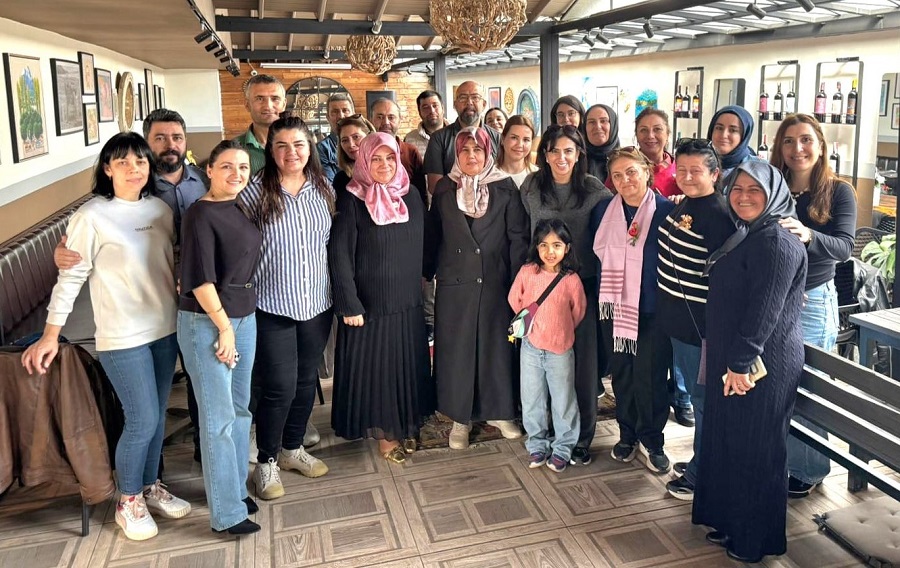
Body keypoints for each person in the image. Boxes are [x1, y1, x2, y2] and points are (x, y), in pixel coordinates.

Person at [22, 132, 190, 541]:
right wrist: (50, 336)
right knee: (142, 419)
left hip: (165, 330)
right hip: (121, 336)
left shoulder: (160, 210)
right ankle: (127, 500)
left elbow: (172, 261)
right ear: (107, 169)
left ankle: (149, 486)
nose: (134, 168)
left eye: (141, 161)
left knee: (156, 417)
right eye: (123, 162)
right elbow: (70, 278)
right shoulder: (92, 215)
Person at [693, 161, 807, 564]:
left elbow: (764, 312)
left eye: (754, 190)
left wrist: (740, 363)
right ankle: (731, 521)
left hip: (761, 365)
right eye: (737, 189)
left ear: (773, 194)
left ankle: (754, 538)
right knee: (730, 443)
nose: (743, 197)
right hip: (736, 359)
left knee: (757, 450)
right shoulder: (748, 233)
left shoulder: (776, 243)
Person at [240, 116, 335, 500]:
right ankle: (266, 461)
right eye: (281, 145)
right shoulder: (254, 192)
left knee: (305, 381)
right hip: (271, 305)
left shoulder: (324, 188)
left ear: (310, 147)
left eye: (298, 144)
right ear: (270, 151)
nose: (291, 152)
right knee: (278, 386)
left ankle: (292, 448)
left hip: (317, 303)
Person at [329, 133, 434, 463]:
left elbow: (425, 240)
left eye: (390, 158)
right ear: (363, 161)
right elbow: (339, 255)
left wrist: (429, 276)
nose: (384, 165)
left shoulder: (411, 194)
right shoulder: (352, 199)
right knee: (379, 374)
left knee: (406, 368)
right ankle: (387, 437)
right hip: (369, 306)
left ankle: (404, 425)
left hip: (407, 301)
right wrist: (348, 303)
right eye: (376, 158)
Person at [177, 140, 261, 535]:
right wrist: (224, 327)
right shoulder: (199, 214)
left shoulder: (241, 205)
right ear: (208, 170)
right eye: (226, 166)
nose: (236, 174)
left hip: (244, 317)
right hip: (209, 323)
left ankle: (235, 490)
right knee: (219, 419)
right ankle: (226, 513)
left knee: (241, 410)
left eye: (242, 167)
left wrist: (236, 323)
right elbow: (199, 280)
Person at [771, 113, 857, 499]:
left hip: (813, 298)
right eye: (789, 141)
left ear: (820, 146)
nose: (798, 148)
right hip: (774, 297)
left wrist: (808, 235)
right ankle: (782, 458)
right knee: (777, 383)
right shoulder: (773, 187)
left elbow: (844, 247)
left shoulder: (839, 192)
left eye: (806, 140)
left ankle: (808, 468)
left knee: (807, 385)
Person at [427, 126, 529, 449]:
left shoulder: (504, 187)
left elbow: (517, 237)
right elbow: (433, 234)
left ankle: (499, 412)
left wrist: (518, 284)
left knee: (495, 348)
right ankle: (461, 417)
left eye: (478, 150)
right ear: (456, 154)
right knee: (457, 350)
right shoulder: (445, 188)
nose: (472, 156)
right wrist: (426, 272)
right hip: (455, 284)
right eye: (465, 150)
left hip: (496, 281)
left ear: (489, 153)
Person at [521, 124, 612, 466]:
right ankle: (543, 436)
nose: (562, 157)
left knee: (582, 367)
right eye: (555, 151)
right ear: (545, 155)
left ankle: (581, 439)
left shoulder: (593, 189)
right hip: (541, 289)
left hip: (579, 287)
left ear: (578, 155)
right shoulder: (531, 187)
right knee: (541, 368)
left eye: (569, 151)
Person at [656, 139, 734, 501]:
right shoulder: (686, 203)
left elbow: (726, 279)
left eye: (696, 171)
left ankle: (704, 474)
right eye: (682, 170)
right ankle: (702, 460)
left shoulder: (719, 215)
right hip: (677, 324)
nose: (687, 177)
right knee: (697, 395)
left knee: (704, 401)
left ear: (714, 175)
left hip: (699, 328)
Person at [591, 147, 675, 473]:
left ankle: (652, 440)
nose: (625, 180)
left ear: (646, 171)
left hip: (653, 308)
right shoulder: (603, 211)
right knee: (623, 373)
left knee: (650, 377)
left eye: (631, 172)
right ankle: (627, 434)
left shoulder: (667, 211)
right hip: (614, 307)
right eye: (617, 175)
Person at [508, 219, 586, 473]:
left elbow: (578, 311)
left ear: (567, 248)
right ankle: (537, 444)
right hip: (531, 348)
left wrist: (560, 330)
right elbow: (515, 299)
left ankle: (563, 448)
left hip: (560, 350)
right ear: (536, 247)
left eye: (557, 245)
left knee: (563, 401)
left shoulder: (571, 280)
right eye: (543, 245)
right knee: (532, 398)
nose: (550, 251)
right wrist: (533, 326)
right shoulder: (528, 272)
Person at [424, 81, 502, 190]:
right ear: (455, 105)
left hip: (492, 199)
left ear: (484, 104)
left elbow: (502, 178)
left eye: (475, 97)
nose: (469, 102)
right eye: (463, 98)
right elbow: (435, 187)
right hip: (451, 200)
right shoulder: (438, 139)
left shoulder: (497, 138)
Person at [369, 98, 427, 203]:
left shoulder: (410, 152)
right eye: (379, 117)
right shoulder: (364, 153)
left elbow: (421, 194)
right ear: (371, 120)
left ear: (400, 121)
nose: (386, 122)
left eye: (391, 117)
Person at [614, 108, 680, 198]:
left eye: (657, 129)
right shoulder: (621, 167)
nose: (650, 136)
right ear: (636, 135)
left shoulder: (682, 170)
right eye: (644, 130)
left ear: (667, 134)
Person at [234, 74, 287, 174]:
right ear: (247, 105)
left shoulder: (301, 148)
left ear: (284, 104)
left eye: (275, 99)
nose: (268, 106)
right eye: (260, 99)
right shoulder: (232, 148)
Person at [707, 105, 760, 179]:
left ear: (744, 135)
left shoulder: (757, 170)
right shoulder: (699, 163)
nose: (724, 135)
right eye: (719, 128)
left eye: (733, 130)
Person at [404, 89, 448, 171]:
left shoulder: (457, 134)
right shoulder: (409, 139)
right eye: (425, 107)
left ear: (443, 108)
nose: (432, 111)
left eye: (435, 105)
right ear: (419, 112)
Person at [316, 92, 355, 183]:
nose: (341, 116)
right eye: (335, 112)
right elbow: (331, 185)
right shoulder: (322, 148)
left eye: (345, 110)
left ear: (353, 114)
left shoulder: (364, 142)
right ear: (328, 117)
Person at [496, 115, 538, 188]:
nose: (520, 145)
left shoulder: (538, 177)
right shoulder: (489, 176)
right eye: (514, 138)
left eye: (526, 140)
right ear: (502, 139)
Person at [582, 104, 620, 183]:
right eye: (591, 122)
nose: (598, 126)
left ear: (613, 125)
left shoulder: (626, 160)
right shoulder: (575, 159)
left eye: (603, 121)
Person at [335, 114, 376, 181]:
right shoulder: (340, 179)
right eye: (345, 140)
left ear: (370, 137)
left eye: (356, 137)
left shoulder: (387, 170)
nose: (351, 145)